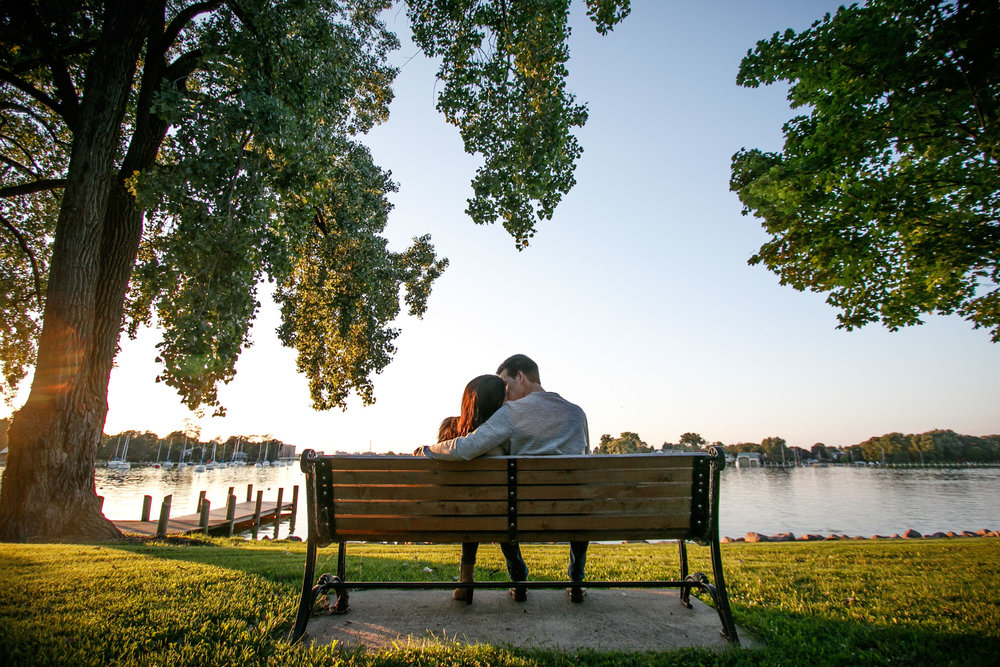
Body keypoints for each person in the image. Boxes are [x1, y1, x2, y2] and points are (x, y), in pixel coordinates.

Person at [415, 354, 590, 603]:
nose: (504, 393)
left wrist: (428, 450)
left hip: (520, 516)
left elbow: (467, 447)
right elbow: (587, 465)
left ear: (520, 376)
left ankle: (518, 579)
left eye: (505, 384)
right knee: (578, 499)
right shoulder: (577, 412)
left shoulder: (512, 412)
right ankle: (576, 580)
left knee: (504, 503)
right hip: (573, 513)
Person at [434, 375, 508, 601]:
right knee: (500, 510)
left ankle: (466, 578)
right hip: (501, 514)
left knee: (469, 507)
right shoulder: (502, 434)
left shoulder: (450, 429)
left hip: (453, 512)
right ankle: (519, 578)